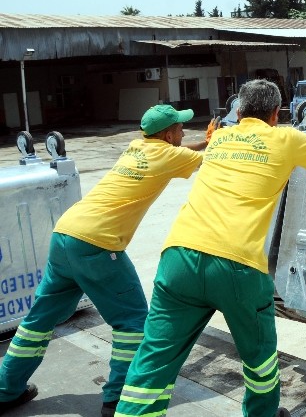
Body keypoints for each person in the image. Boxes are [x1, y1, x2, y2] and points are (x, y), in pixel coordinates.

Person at [114, 79, 306, 417]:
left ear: (238, 111)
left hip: (179, 257)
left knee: (155, 356)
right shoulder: (284, 138)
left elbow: (240, 156)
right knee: (259, 357)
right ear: (275, 113)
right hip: (236, 266)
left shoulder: (220, 137)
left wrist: (295, 146)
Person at [0, 105, 216, 417]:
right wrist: (222, 140)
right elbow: (212, 161)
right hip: (98, 246)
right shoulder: (171, 155)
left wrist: (203, 142)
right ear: (169, 135)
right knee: (133, 324)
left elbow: (181, 152)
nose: (185, 133)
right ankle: (118, 399)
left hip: (65, 235)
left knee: (37, 321)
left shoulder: (137, 146)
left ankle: (7, 390)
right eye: (180, 129)